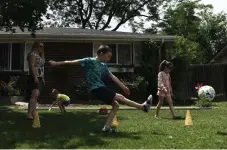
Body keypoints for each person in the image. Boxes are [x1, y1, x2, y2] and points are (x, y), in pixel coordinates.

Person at [48, 45, 153, 133]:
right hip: (96, 88)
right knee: (119, 97)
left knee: (116, 105)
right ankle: (142, 107)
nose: (109, 59)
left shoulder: (103, 66)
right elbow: (71, 62)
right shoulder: (89, 61)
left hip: (100, 87)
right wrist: (56, 63)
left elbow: (113, 77)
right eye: (108, 56)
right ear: (101, 53)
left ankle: (106, 128)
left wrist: (123, 86)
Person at [27, 42, 45, 120]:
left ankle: (34, 113)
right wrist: (35, 77)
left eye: (42, 47)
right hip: (34, 77)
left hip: (39, 77)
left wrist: (43, 78)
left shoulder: (40, 56)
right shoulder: (32, 54)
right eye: (40, 46)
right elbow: (32, 66)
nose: (41, 48)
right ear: (36, 46)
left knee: (36, 96)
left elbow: (41, 67)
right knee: (34, 95)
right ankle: (29, 114)